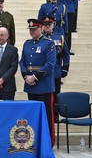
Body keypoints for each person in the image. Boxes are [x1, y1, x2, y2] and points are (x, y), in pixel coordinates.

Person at [19, 18, 56, 146]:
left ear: (41, 29)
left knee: (47, 115)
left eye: (34, 29)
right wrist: (25, 77)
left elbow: (50, 64)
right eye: (30, 30)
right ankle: (35, 140)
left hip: (43, 85)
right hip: (30, 85)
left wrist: (34, 77)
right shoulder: (27, 43)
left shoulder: (48, 44)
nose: (32, 32)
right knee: (33, 115)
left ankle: (48, 142)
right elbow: (22, 62)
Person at [41, 16, 70, 121]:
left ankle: (55, 114)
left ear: (53, 25)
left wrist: (65, 68)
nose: (47, 26)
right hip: (43, 71)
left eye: (50, 24)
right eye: (45, 24)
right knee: (44, 94)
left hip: (56, 71)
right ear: (42, 26)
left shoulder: (59, 37)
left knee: (56, 94)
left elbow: (66, 54)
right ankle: (45, 114)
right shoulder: (40, 38)